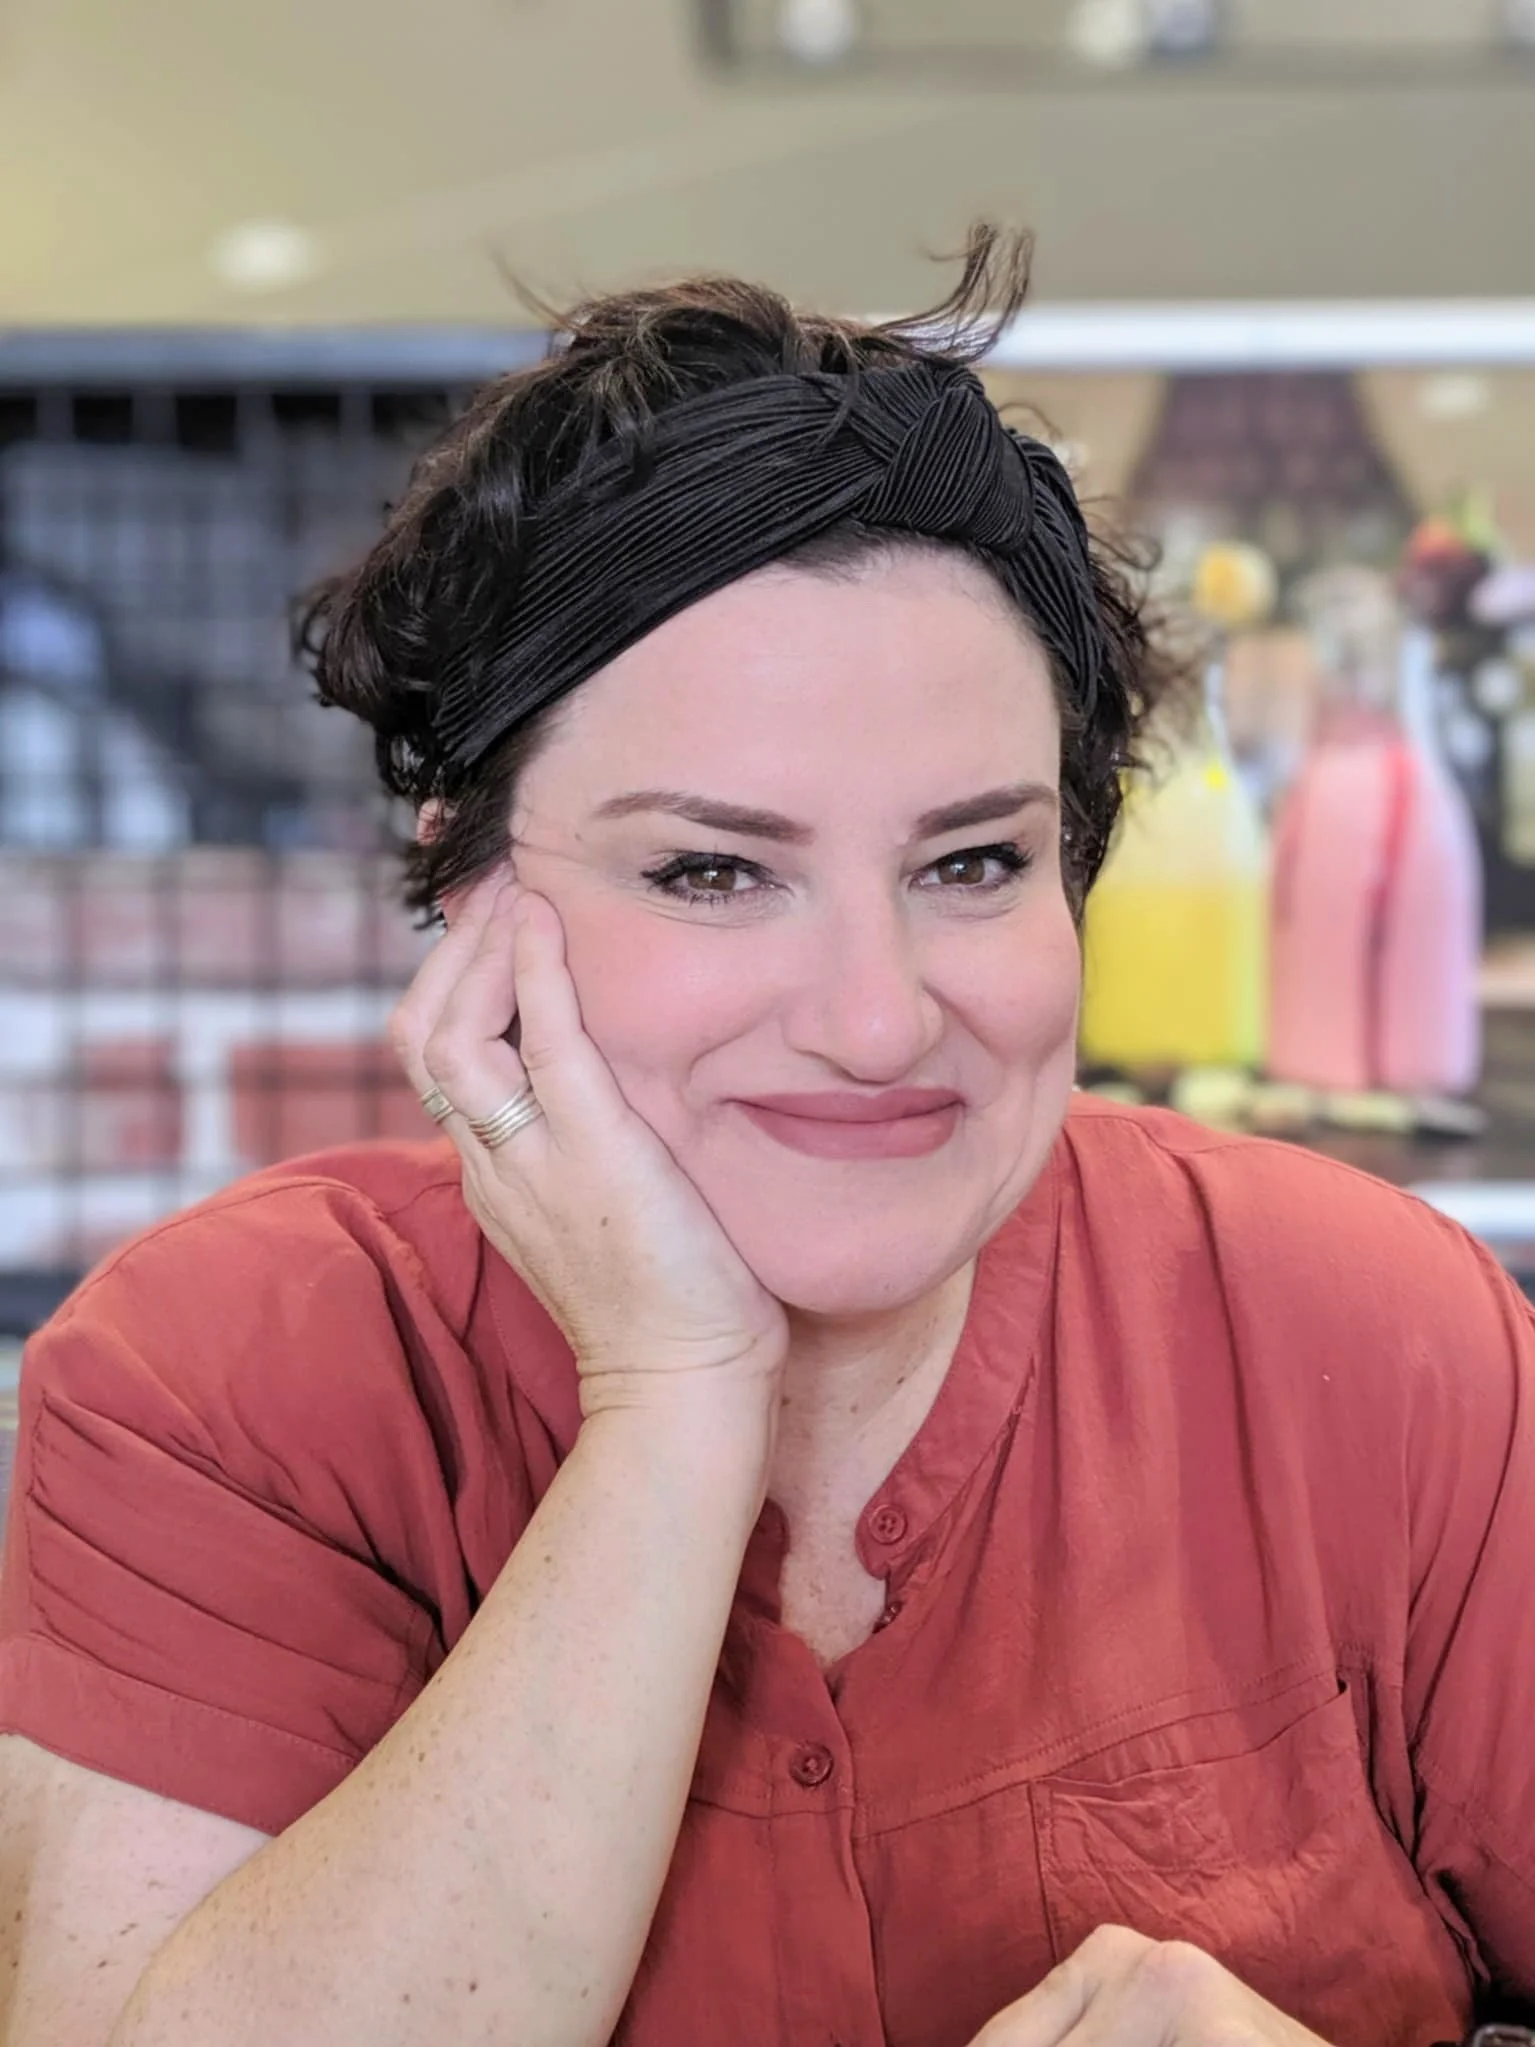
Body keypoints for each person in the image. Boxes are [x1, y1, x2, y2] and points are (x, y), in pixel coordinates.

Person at [1, 228, 1532, 2047]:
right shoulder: (231, 1384)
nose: (877, 1019)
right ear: (471, 888)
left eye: (972, 861)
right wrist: (672, 1397)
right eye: (714, 871)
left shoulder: (1374, 1336)